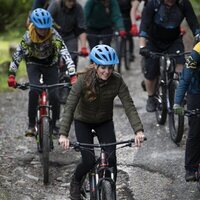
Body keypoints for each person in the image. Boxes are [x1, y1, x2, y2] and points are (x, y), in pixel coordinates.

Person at [58, 44, 145, 199]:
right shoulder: (82, 80)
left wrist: (138, 130)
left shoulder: (117, 80)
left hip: (104, 122)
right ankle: (76, 181)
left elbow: (128, 105)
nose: (107, 71)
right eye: (103, 67)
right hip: (83, 121)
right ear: (95, 65)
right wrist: (63, 134)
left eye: (110, 67)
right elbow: (70, 106)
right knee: (88, 160)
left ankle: (110, 192)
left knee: (111, 159)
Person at [7, 8, 77, 136]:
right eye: (40, 28)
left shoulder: (54, 35)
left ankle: (55, 123)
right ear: (34, 25)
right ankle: (31, 124)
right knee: (34, 89)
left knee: (55, 94)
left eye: (46, 28)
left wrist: (72, 74)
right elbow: (17, 55)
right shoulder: (28, 36)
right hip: (33, 64)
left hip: (50, 64)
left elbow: (65, 53)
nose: (43, 31)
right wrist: (12, 74)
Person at [139, 0, 200, 112]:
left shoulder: (183, 3)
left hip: (174, 41)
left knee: (180, 67)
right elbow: (144, 24)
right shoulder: (153, 3)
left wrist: (198, 34)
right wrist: (142, 46)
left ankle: (180, 92)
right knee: (151, 71)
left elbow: (193, 21)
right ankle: (151, 97)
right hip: (154, 41)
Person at [173, 38, 200, 182]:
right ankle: (191, 167)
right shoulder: (197, 52)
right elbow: (185, 79)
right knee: (195, 130)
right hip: (196, 91)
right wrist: (177, 103)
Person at [47, 0, 89, 67]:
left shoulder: (78, 8)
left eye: (73, 1)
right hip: (54, 35)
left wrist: (83, 47)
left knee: (72, 59)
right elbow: (46, 22)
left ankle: (72, 75)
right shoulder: (55, 5)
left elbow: (81, 29)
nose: (71, 3)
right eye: (69, 1)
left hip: (70, 36)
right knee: (53, 60)